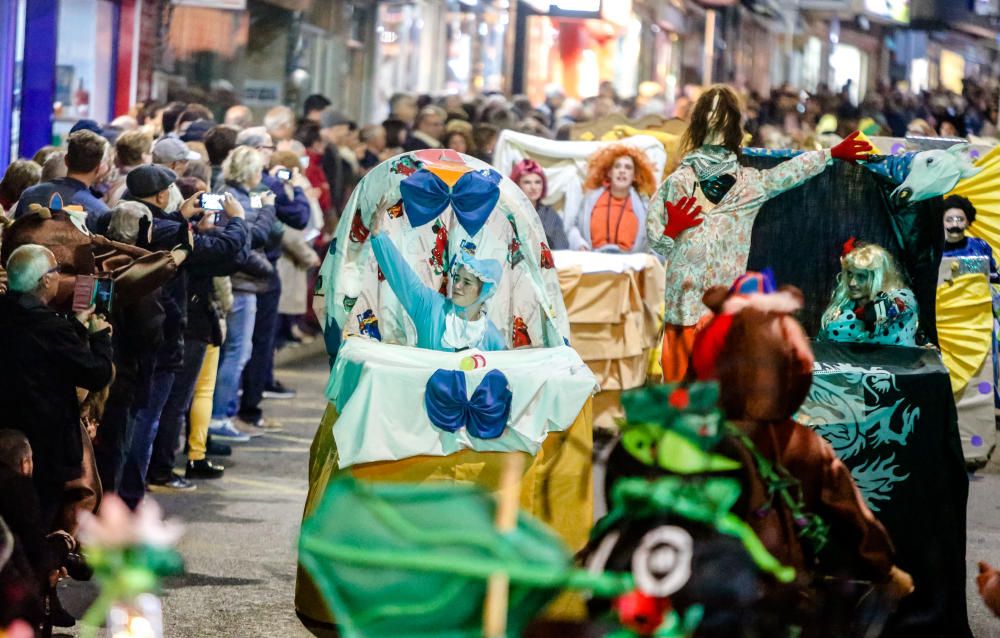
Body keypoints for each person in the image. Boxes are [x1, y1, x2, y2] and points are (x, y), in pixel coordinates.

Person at [646, 85, 873, 381]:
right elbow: (656, 238)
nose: (716, 120)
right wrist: (671, 231)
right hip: (683, 307)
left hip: (723, 310)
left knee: (721, 392)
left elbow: (788, 173)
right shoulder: (679, 183)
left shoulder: (747, 186)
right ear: (701, 120)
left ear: (732, 124)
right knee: (677, 392)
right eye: (710, 113)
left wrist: (830, 154)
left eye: (723, 114)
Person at [120, 165, 248, 500]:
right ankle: (132, 494)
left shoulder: (122, 217)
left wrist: (180, 216)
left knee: (132, 417)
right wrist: (238, 219)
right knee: (149, 416)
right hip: (161, 334)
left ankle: (125, 489)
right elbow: (222, 252)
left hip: (127, 334)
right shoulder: (168, 231)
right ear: (163, 194)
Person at [0, 245, 114, 524]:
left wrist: (75, 324)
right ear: (46, 280)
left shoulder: (10, 315)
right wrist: (100, 339)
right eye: (57, 270)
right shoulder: (50, 328)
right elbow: (95, 374)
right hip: (46, 446)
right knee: (37, 518)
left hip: (6, 432)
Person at [368, 196, 506, 352]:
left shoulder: (491, 337)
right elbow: (402, 276)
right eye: (457, 278)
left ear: (483, 291)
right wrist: (378, 236)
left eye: (467, 282)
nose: (457, 285)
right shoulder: (431, 307)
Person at [210, 147, 278, 440]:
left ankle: (221, 414)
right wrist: (268, 208)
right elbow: (257, 237)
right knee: (238, 351)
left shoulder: (225, 191)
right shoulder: (243, 200)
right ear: (251, 172)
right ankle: (219, 417)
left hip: (232, 283)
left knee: (231, 351)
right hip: (241, 285)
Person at [819, 242, 919, 347]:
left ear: (878, 277)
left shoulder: (903, 297)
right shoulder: (841, 306)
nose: (852, 283)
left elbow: (896, 307)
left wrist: (875, 312)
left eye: (861, 276)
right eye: (849, 274)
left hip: (895, 362)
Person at [567, 144, 656, 253]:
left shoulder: (645, 206)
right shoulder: (590, 199)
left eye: (628, 167)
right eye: (617, 166)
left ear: (634, 176)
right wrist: (579, 244)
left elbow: (655, 241)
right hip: (593, 261)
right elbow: (572, 228)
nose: (622, 171)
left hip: (629, 265)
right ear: (609, 173)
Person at [17, 130, 112, 232]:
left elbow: (12, 236)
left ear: (66, 160)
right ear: (97, 169)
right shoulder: (101, 213)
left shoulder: (29, 195)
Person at [510, 159, 568, 250]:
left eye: (537, 182)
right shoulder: (508, 211)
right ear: (517, 185)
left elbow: (562, 247)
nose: (533, 187)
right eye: (527, 182)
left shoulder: (550, 214)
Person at [942, 194, 999, 282]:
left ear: (968, 221)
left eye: (960, 220)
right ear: (941, 222)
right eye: (949, 220)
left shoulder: (980, 245)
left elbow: (993, 276)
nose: (955, 225)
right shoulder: (933, 252)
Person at [105, 129, 153, 205]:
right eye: (150, 153)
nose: (152, 156)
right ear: (144, 156)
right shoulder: (144, 185)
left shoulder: (104, 178)